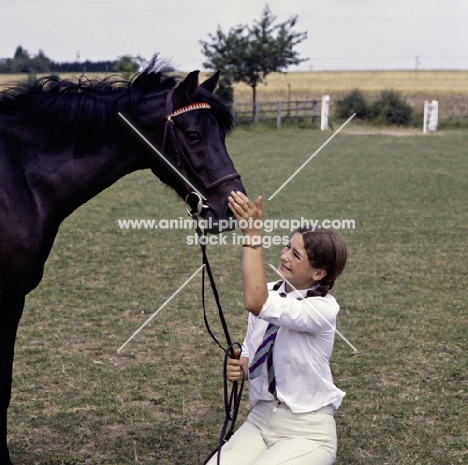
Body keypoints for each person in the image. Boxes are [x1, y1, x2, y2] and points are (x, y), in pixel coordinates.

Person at [207, 191, 348, 465]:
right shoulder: (270, 292)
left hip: (307, 431)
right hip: (260, 420)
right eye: (287, 247)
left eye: (296, 255)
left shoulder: (322, 309)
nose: (284, 256)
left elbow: (255, 302)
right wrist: (241, 367)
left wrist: (251, 233)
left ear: (318, 274)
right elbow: (253, 351)